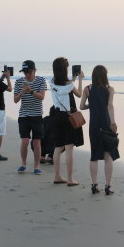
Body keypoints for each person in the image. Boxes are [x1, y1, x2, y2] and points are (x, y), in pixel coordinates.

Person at [80, 65, 119, 195]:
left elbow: (81, 106)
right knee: (108, 156)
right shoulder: (110, 89)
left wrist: (92, 105)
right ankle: (108, 187)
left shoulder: (87, 89)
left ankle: (94, 185)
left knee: (94, 156)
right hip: (106, 125)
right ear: (105, 75)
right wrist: (113, 122)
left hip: (94, 125)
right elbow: (110, 106)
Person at [50, 57, 84, 186]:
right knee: (69, 148)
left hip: (56, 116)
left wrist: (72, 80)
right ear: (65, 69)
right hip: (68, 118)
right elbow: (79, 94)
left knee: (58, 148)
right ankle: (70, 178)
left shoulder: (52, 83)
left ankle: (57, 176)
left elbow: (64, 89)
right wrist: (79, 80)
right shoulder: (69, 85)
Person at [13, 60, 47, 174]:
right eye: (25, 72)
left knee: (36, 142)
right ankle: (23, 164)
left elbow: (42, 97)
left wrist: (31, 91)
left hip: (37, 115)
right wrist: (23, 92)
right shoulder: (18, 82)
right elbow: (15, 100)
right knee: (25, 141)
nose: (27, 74)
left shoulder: (41, 80)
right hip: (23, 115)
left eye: (29, 71)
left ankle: (36, 166)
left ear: (34, 70)